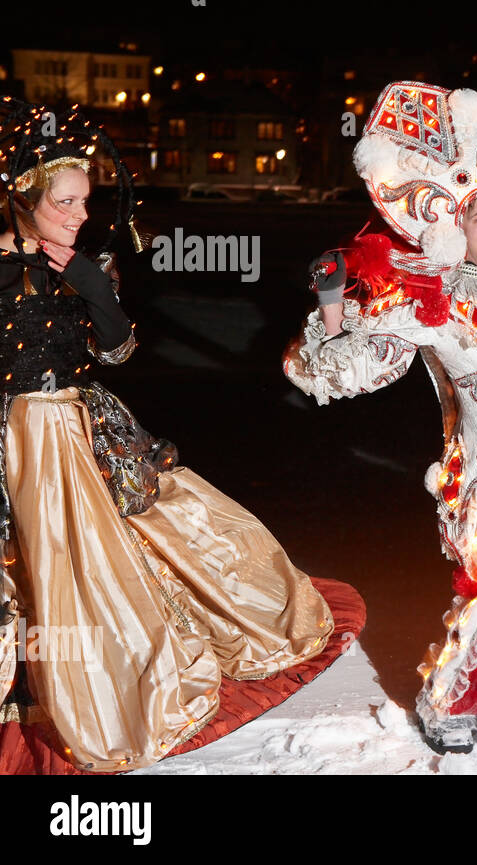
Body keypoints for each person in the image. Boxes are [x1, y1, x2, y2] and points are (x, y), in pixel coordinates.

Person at [0, 101, 334, 772]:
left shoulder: (79, 265)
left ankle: (109, 672)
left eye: (85, 202)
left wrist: (96, 289)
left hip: (80, 424)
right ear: (26, 199)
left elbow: (119, 350)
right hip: (19, 435)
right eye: (65, 202)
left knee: (126, 545)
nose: (79, 215)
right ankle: (39, 685)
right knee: (44, 561)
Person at [284, 82, 477, 755]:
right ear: (448, 225)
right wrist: (332, 298)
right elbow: (345, 364)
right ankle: (449, 701)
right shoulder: (427, 299)